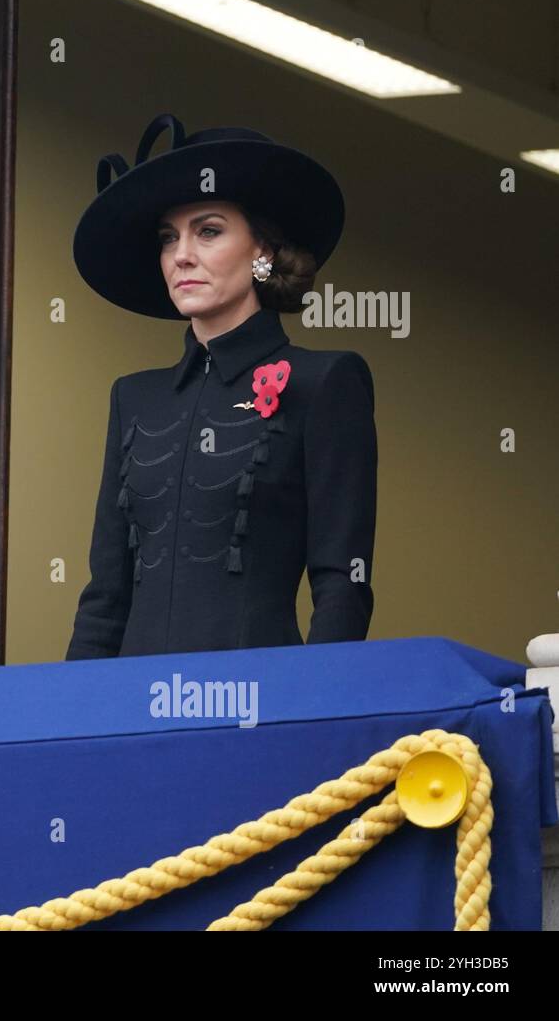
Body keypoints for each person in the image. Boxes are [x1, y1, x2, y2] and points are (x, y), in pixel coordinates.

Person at [66, 114, 376, 659]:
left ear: (263, 252)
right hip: (135, 708)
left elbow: (341, 584)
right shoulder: (134, 397)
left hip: (259, 705)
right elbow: (105, 596)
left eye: (208, 231)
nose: (181, 254)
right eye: (169, 238)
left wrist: (317, 708)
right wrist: (76, 720)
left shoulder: (325, 381)